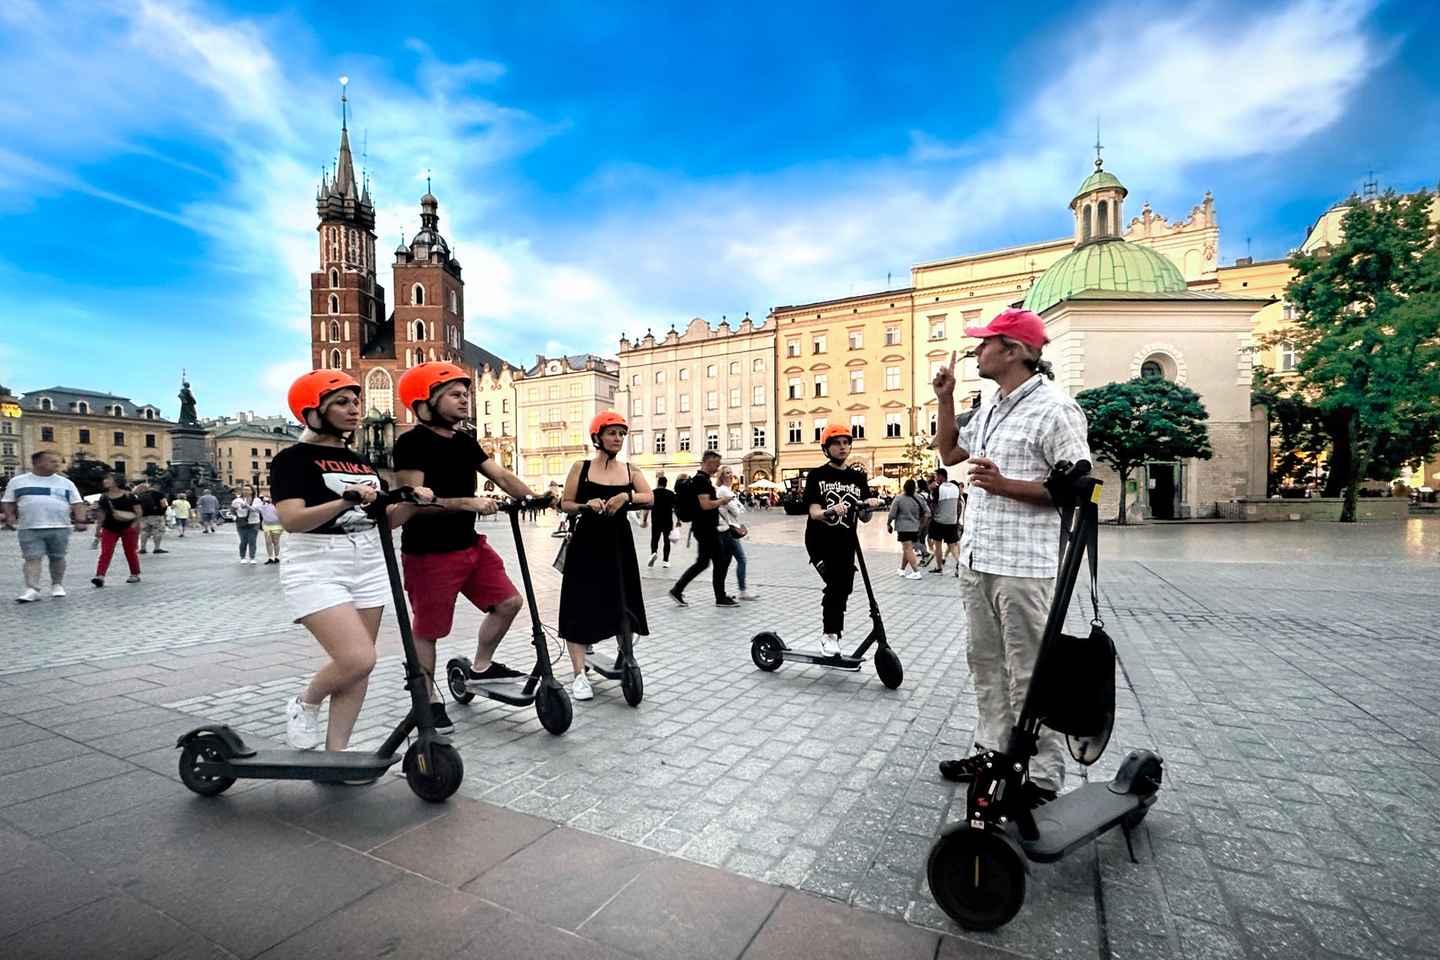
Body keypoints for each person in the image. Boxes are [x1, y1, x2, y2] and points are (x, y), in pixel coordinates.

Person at [932, 307, 1091, 808]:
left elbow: (1078, 489)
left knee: (1030, 673)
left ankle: (1041, 779)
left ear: (1015, 351)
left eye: (985, 343)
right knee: (985, 664)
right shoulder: (994, 405)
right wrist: (945, 398)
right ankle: (992, 752)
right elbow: (950, 453)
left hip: (1024, 567)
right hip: (978, 559)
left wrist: (1006, 486)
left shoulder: (1055, 409)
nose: (977, 350)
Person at [271, 370, 428, 754]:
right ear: (312, 411)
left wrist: (410, 504)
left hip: (368, 560)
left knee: (360, 667)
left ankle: (336, 753)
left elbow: (383, 521)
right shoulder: (292, 460)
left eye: (355, 401)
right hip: (316, 562)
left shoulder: (359, 461)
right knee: (357, 657)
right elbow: (292, 521)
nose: (354, 409)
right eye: (341, 402)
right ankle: (305, 702)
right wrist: (346, 500)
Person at [392, 362, 540, 731]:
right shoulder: (411, 443)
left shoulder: (464, 441)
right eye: (456, 395)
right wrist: (467, 503)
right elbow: (413, 505)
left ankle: (480, 668)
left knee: (509, 603)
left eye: (466, 394)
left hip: (469, 544)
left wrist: (534, 497)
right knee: (429, 630)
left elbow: (501, 475)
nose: (465, 401)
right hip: (429, 553)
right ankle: (427, 698)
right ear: (426, 401)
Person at [558, 411, 652, 701]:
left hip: (618, 542)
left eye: (622, 434)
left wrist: (627, 497)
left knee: (623, 600)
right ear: (597, 436)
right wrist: (586, 505)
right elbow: (565, 503)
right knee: (579, 603)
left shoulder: (630, 470)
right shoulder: (581, 467)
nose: (618, 438)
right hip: (587, 542)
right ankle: (578, 675)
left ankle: (627, 657)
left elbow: (650, 497)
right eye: (612, 433)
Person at [804, 426, 885, 655]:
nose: (842, 447)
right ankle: (830, 635)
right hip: (820, 541)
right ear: (826, 448)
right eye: (837, 443)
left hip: (846, 542)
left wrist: (869, 506)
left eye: (846, 443)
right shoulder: (817, 476)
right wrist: (831, 511)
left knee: (844, 587)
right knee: (836, 585)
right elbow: (814, 513)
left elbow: (864, 518)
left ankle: (832, 634)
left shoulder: (857, 477)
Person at [1, 450, 88, 602]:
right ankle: (32, 589)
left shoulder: (66, 482)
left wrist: (80, 520)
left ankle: (57, 585)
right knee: (32, 558)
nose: (57, 464)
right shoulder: (18, 481)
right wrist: (10, 517)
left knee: (58, 557)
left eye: (58, 461)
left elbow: (77, 503)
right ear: (38, 462)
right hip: (29, 527)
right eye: (52, 461)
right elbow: (8, 501)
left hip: (60, 526)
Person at [668, 450, 736, 608]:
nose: (717, 468)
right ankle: (720, 597)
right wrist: (722, 500)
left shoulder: (701, 480)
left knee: (704, 562)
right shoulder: (701, 481)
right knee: (720, 560)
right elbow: (705, 505)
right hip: (706, 529)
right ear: (709, 461)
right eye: (717, 464)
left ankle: (677, 590)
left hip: (703, 528)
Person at [91, 473, 142, 586]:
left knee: (130, 552)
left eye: (108, 479)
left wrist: (134, 525)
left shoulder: (129, 496)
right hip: (109, 527)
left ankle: (135, 574)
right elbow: (102, 515)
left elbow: (138, 512)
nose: (105, 481)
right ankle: (100, 576)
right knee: (106, 552)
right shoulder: (104, 497)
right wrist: (98, 529)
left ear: (117, 482)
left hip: (128, 527)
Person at [716, 466, 758, 600]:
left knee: (725, 562)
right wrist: (736, 506)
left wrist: (736, 506)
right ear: (721, 476)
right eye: (726, 473)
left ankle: (722, 593)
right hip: (728, 530)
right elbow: (737, 511)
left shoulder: (728, 490)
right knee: (741, 559)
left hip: (729, 529)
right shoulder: (723, 490)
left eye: (731, 473)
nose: (729, 475)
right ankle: (742, 591)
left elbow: (740, 508)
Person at [887, 478, 930, 580]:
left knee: (908, 548)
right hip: (915, 527)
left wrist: (888, 524)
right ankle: (902, 570)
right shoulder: (919, 498)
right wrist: (922, 524)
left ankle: (916, 572)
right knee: (907, 548)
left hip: (903, 527)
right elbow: (927, 512)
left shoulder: (899, 498)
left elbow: (892, 514)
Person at [928, 468, 964, 575]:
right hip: (952, 521)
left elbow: (933, 505)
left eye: (936, 476)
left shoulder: (938, 489)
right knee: (952, 546)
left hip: (939, 521)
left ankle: (939, 568)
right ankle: (961, 566)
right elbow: (958, 504)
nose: (935, 478)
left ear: (940, 476)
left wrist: (931, 490)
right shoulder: (955, 487)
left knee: (937, 545)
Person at [231, 484, 263, 564]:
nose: (246, 491)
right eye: (244, 489)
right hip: (241, 523)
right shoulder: (237, 500)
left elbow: (258, 510)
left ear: (252, 491)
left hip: (254, 523)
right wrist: (235, 511)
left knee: (252, 541)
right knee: (243, 541)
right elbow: (233, 510)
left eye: (248, 490)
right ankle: (243, 557)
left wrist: (247, 506)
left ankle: (252, 557)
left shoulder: (257, 500)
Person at [648, 475, 675, 568]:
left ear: (658, 483)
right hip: (667, 520)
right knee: (667, 541)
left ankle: (653, 553)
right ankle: (666, 561)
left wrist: (644, 519)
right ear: (666, 484)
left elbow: (648, 506)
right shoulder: (671, 494)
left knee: (655, 539)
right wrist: (679, 520)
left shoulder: (652, 493)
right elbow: (676, 508)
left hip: (656, 520)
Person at [135, 481, 169, 554]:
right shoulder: (159, 494)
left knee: (144, 532)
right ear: (157, 486)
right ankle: (157, 548)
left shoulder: (141, 494)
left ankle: (143, 548)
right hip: (156, 515)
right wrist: (162, 512)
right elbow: (165, 505)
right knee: (157, 531)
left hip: (144, 516)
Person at [259, 495, 284, 564]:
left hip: (277, 525)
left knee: (275, 541)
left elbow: (282, 515)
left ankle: (277, 557)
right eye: (265, 499)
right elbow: (255, 509)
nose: (266, 500)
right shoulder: (263, 506)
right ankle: (270, 558)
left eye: (268, 499)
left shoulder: (277, 506)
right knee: (268, 542)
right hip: (266, 526)